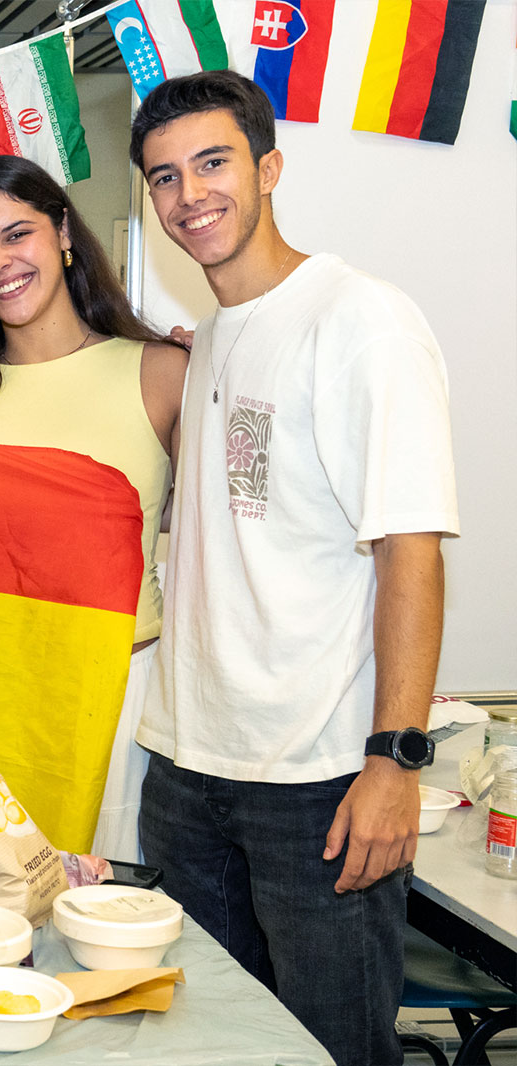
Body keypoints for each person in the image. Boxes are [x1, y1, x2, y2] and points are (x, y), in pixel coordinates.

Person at [131, 71, 458, 1066]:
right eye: (165, 177)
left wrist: (394, 760)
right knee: (203, 1048)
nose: (190, 194)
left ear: (269, 167)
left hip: (314, 782)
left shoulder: (360, 318)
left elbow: (409, 548)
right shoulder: (210, 338)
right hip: (186, 770)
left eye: (213, 163)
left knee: (333, 1049)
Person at [0, 156, 186, 862]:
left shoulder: (161, 371)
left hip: (120, 697)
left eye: (17, 235)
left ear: (63, 232)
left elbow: (223, 534)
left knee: (113, 906)